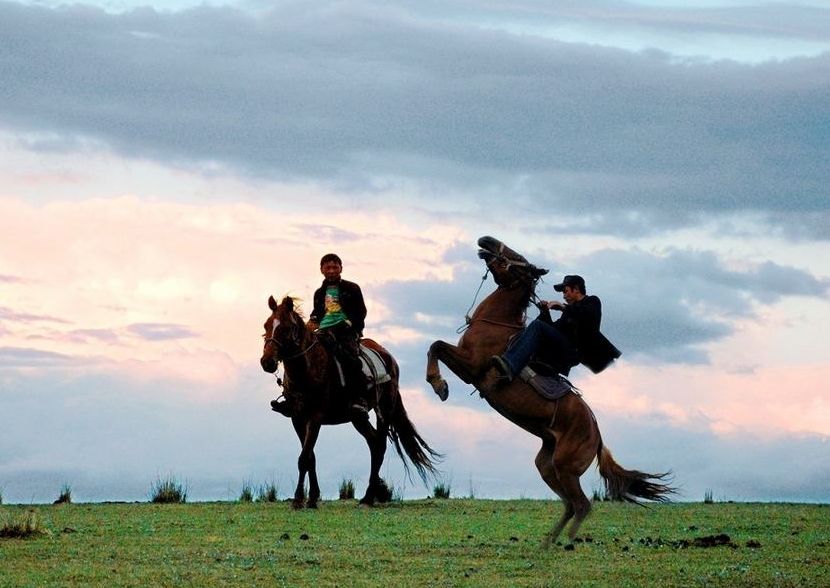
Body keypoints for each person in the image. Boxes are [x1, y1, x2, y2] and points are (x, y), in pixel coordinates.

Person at [490, 274, 620, 384]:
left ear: (576, 289)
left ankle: (510, 365)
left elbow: (587, 315)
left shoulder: (592, 301)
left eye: (566, 291)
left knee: (537, 326)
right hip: (563, 346)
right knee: (538, 324)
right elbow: (554, 329)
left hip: (573, 351)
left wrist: (563, 307)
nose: (563, 296)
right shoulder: (569, 311)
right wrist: (545, 312)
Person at [308, 253, 369, 414]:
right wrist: (309, 326)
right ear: (321, 270)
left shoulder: (352, 288)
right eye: (328, 267)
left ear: (341, 268)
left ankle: (359, 397)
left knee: (349, 358)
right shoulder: (319, 293)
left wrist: (349, 324)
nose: (332, 271)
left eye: (335, 267)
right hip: (324, 330)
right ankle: (295, 396)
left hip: (346, 331)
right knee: (304, 353)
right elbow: (317, 314)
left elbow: (361, 311)